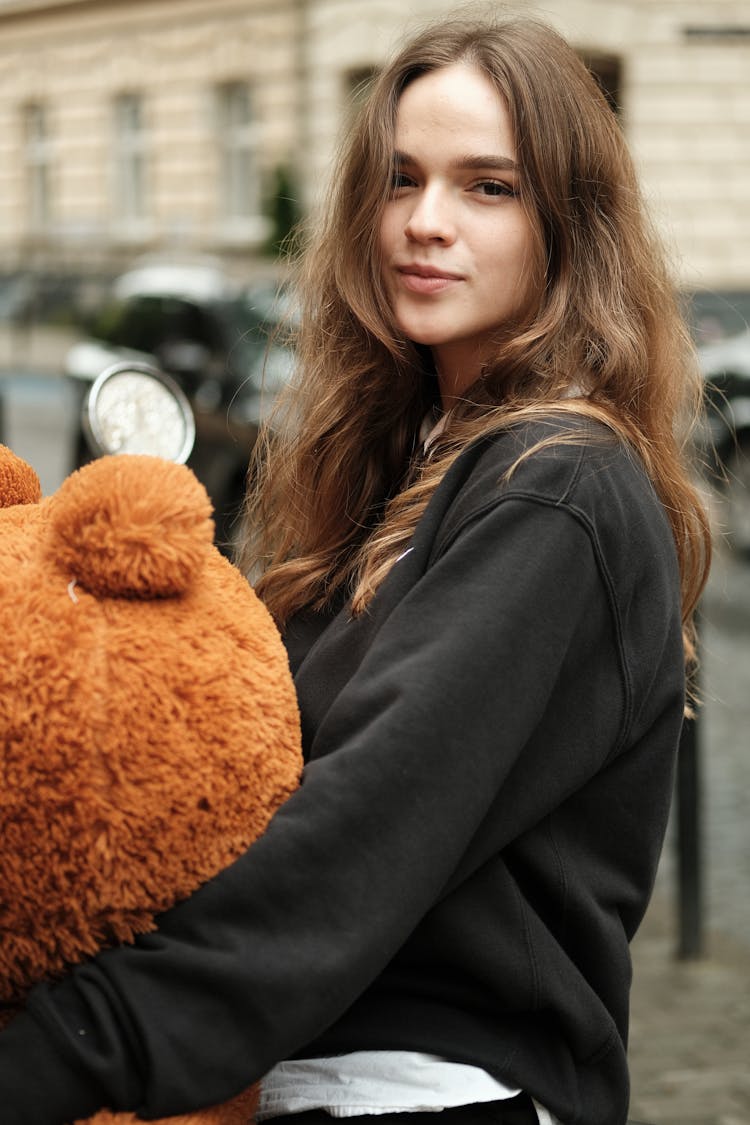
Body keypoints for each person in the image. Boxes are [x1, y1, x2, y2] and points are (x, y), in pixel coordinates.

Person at [0, 14, 711, 1125]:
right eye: (400, 178)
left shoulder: (559, 485)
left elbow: (350, 846)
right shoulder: (412, 460)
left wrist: (61, 1053)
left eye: (489, 187)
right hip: (299, 1074)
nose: (425, 223)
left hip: (438, 1084)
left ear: (570, 226)